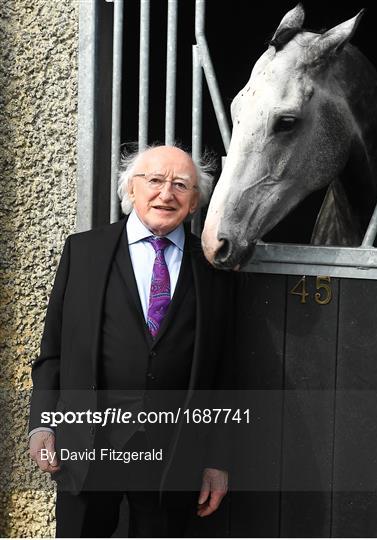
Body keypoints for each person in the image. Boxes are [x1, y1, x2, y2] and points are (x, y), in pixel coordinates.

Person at [28, 145, 232, 537]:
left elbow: (223, 373)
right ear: (131, 190)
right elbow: (52, 352)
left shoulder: (212, 268)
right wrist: (42, 425)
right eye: (154, 181)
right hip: (86, 444)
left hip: (173, 453)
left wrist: (217, 460)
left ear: (194, 203)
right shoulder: (83, 251)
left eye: (180, 185)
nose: (166, 193)